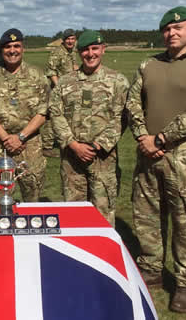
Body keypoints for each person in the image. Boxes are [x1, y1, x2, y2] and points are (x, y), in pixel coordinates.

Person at [126, 6, 186, 313]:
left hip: (184, 159)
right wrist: (144, 137)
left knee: (185, 221)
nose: (172, 33)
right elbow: (133, 103)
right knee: (146, 217)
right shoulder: (149, 64)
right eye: (167, 29)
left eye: (178, 27)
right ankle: (152, 269)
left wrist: (160, 139)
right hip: (148, 156)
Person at [49, 30, 128, 226]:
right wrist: (73, 144)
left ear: (103, 49)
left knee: (103, 215)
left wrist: (98, 145)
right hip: (71, 159)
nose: (90, 54)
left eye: (95, 49)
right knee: (73, 215)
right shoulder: (65, 82)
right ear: (78, 52)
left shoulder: (117, 81)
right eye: (85, 50)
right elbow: (56, 114)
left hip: (103, 159)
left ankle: (104, 254)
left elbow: (122, 117)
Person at [0, 28, 49, 203]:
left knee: (32, 201)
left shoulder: (37, 75)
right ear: (2, 50)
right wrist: (6, 139)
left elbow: (44, 111)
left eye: (16, 46)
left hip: (30, 147)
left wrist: (20, 137)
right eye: (8, 46)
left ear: (22, 48)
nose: (12, 50)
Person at [41, 28, 80, 158]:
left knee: (69, 115)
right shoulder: (57, 52)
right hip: (56, 89)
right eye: (68, 39)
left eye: (72, 39)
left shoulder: (73, 51)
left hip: (70, 89)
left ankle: (68, 140)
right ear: (63, 40)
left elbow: (73, 66)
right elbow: (51, 71)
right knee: (53, 116)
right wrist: (59, 88)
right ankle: (47, 147)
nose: (70, 41)